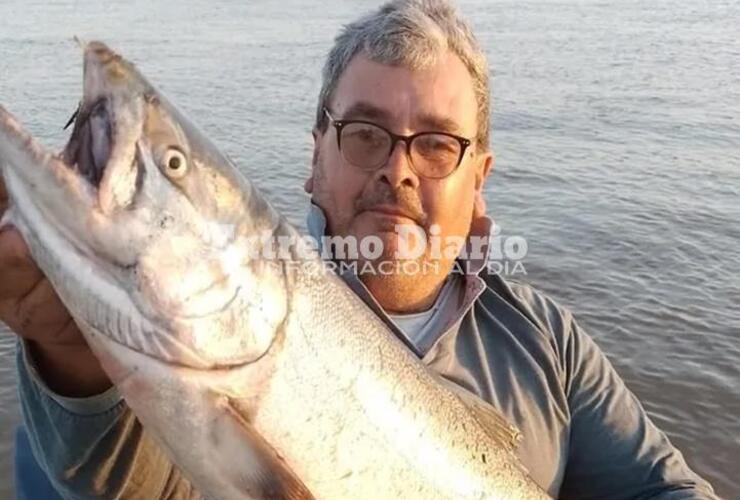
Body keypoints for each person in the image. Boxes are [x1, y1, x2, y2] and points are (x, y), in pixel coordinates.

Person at [0, 0, 717, 498]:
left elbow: (662, 487)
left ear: (478, 182)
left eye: (437, 144)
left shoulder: (547, 344)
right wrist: (76, 363)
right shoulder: (161, 342)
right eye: (365, 133)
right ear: (317, 158)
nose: (398, 169)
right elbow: (131, 487)